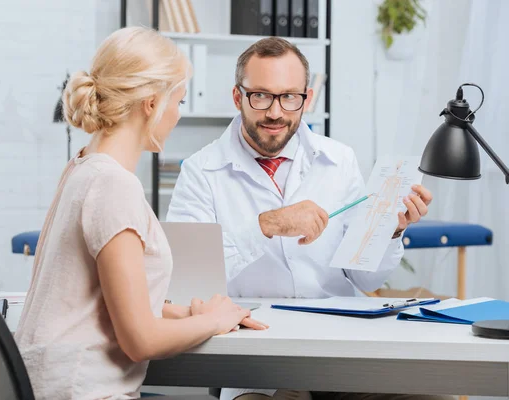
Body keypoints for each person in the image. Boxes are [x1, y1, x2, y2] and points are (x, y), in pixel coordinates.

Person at [166, 37, 451, 400]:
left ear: (307, 98)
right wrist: (265, 226)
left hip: (339, 350)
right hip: (258, 360)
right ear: (237, 98)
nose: (275, 112)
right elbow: (185, 289)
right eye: (261, 96)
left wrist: (389, 230)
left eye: (289, 97)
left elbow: (365, 278)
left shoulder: (339, 159)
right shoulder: (200, 171)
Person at [14, 26, 267, 400]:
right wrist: (215, 320)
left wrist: (184, 316)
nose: (178, 115)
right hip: (81, 391)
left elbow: (104, 304)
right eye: (179, 102)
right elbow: (140, 341)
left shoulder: (83, 167)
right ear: (152, 103)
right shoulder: (114, 185)